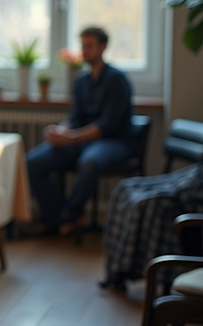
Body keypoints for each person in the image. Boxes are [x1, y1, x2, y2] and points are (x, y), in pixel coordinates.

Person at [25, 26, 134, 236]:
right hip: (80, 140)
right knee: (33, 162)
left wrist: (71, 138)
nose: (85, 51)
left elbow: (107, 126)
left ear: (103, 47)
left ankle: (72, 214)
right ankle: (54, 219)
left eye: (90, 46)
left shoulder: (117, 80)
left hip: (115, 142)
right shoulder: (81, 80)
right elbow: (75, 118)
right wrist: (61, 131)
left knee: (90, 161)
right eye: (83, 46)